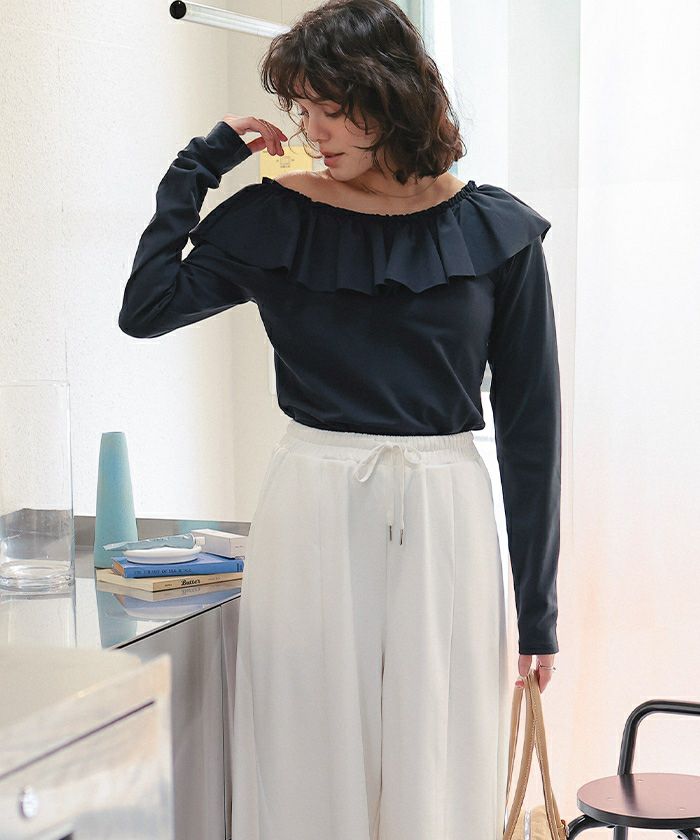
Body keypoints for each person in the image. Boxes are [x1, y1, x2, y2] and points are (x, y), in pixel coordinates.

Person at [119, 0, 561, 836]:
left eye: (330, 107)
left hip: (446, 508)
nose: (311, 130)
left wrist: (537, 609)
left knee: (437, 751)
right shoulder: (276, 217)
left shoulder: (494, 231)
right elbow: (146, 309)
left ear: (389, 98)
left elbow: (533, 428)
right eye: (302, 108)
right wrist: (196, 168)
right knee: (305, 749)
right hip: (313, 501)